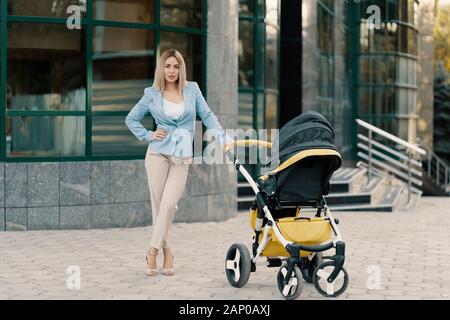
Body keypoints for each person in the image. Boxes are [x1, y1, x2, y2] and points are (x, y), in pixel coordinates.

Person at [125, 49, 232, 276]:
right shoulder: (152, 93)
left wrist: (222, 136)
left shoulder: (191, 89)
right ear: (161, 69)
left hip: (182, 155)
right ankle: (168, 252)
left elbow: (207, 115)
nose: (171, 71)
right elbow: (131, 118)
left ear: (181, 68)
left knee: (169, 205)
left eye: (175, 66)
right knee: (158, 205)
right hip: (157, 155)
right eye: (167, 66)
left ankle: (153, 249)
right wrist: (148, 135)